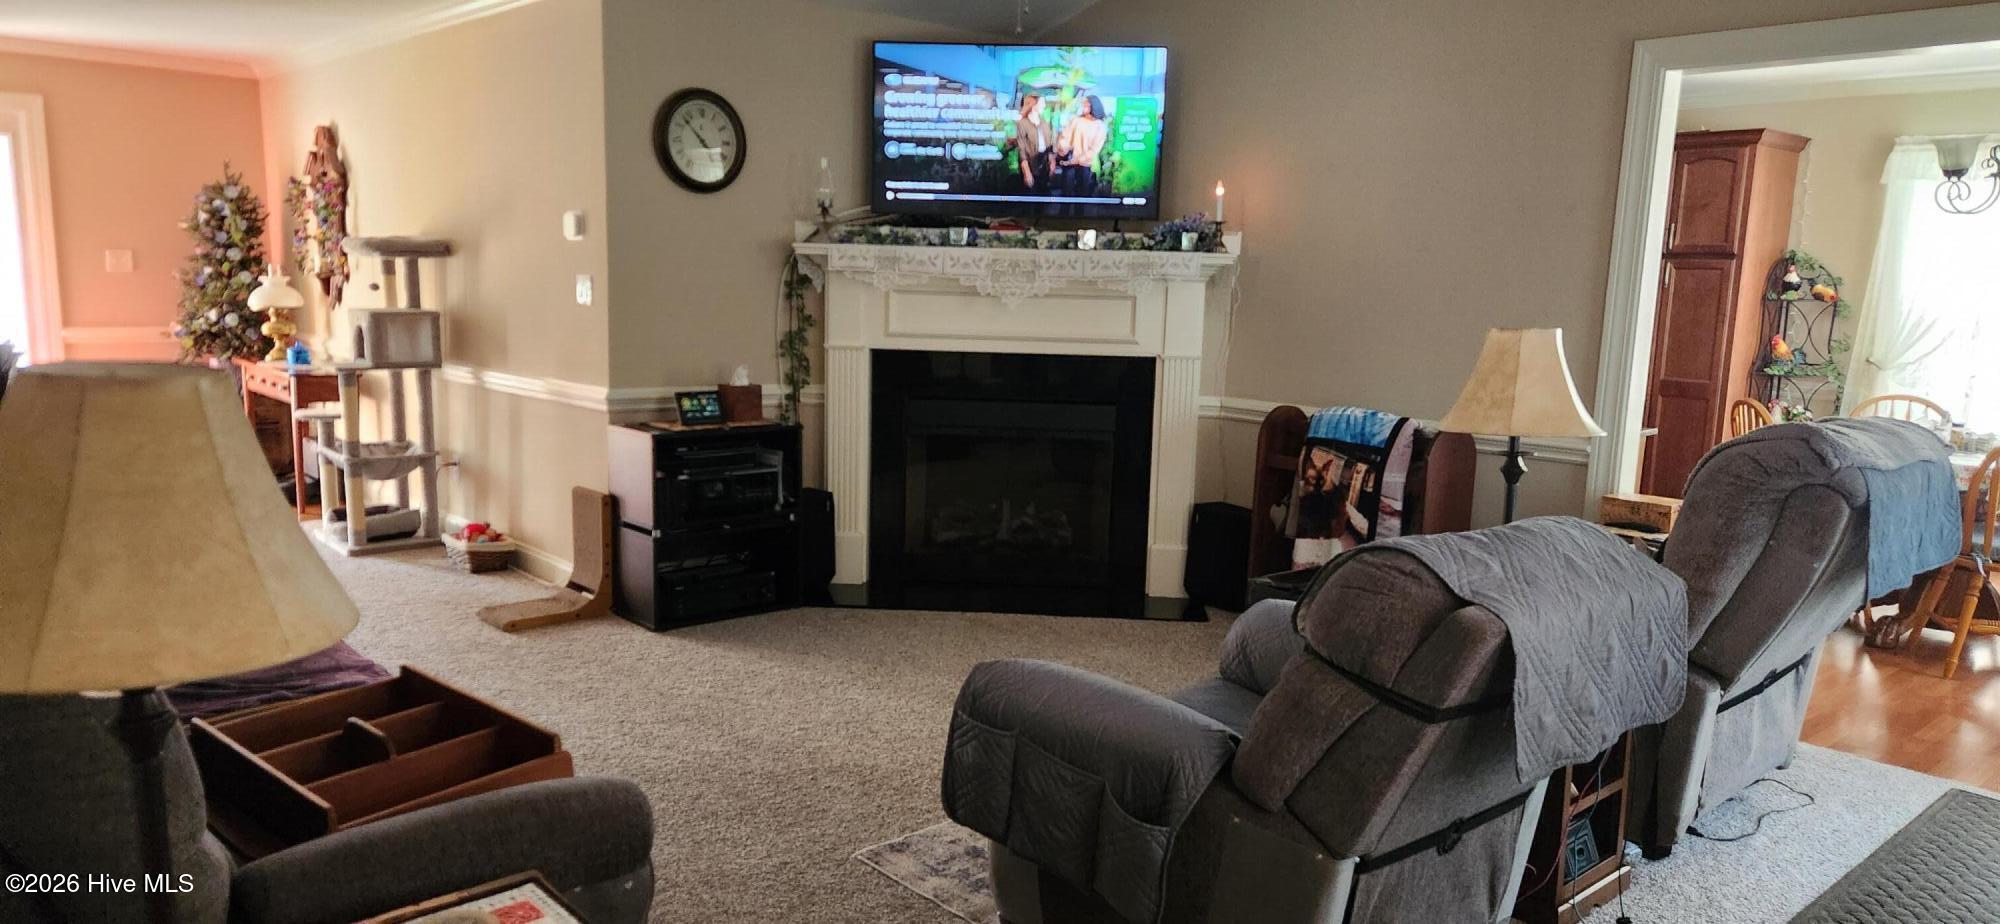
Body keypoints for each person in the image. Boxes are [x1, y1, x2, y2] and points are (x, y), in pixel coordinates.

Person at [1054, 94, 1109, 207]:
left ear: (1093, 106)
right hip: (1069, 163)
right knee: (1066, 197)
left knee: (1081, 198)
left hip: (1084, 165)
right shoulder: (1076, 120)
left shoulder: (1100, 126)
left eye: (1086, 104)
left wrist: (1077, 160)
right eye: (1083, 104)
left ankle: (1079, 220)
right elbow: (1065, 137)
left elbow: (1094, 150)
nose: (1083, 106)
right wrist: (1062, 148)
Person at [1002, 93, 1054, 197]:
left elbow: (1050, 145)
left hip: (1044, 167)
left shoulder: (1045, 123)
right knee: (1030, 200)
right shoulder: (1022, 124)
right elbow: (1022, 150)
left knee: (1043, 201)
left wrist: (1052, 162)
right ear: (1034, 105)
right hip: (1030, 166)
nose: (1044, 106)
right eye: (1042, 103)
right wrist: (1027, 172)